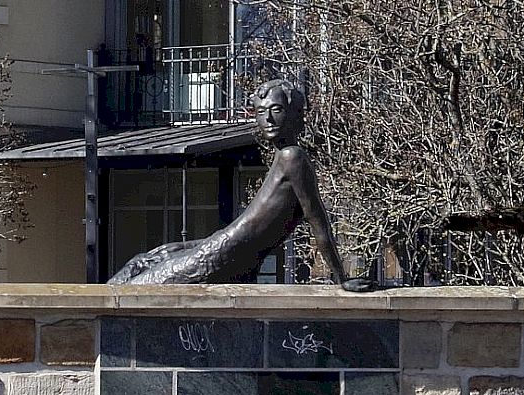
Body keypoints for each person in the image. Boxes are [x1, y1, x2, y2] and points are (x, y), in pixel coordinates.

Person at [108, 77, 374, 290]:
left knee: (138, 285)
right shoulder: (283, 157)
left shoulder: (292, 158)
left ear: (295, 114)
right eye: (261, 112)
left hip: (223, 255)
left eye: (276, 110)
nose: (267, 119)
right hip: (220, 244)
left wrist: (341, 278)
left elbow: (319, 222)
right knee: (141, 261)